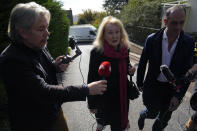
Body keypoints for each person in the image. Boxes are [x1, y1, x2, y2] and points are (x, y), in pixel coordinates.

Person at [0, 2, 107, 131]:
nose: (47, 33)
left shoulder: (37, 44)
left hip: (53, 113)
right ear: (23, 32)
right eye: (41, 29)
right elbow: (43, 92)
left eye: (47, 27)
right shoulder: (12, 60)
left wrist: (55, 66)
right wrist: (86, 89)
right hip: (33, 124)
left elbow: (43, 67)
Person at [136, 5, 195, 131]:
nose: (178, 27)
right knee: (151, 113)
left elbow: (187, 71)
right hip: (153, 86)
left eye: (182, 23)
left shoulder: (189, 42)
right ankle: (143, 115)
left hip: (172, 90)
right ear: (165, 21)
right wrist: (139, 82)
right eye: (174, 23)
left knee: (161, 121)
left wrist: (178, 96)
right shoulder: (151, 39)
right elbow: (142, 62)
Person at [87, 16, 136, 131]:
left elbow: (126, 65)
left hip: (121, 97)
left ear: (121, 33)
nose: (114, 36)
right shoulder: (97, 51)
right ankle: (101, 124)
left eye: (117, 32)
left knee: (118, 126)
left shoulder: (124, 49)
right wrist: (92, 103)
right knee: (102, 121)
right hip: (104, 97)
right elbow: (91, 77)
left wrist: (130, 70)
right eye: (110, 33)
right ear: (103, 35)